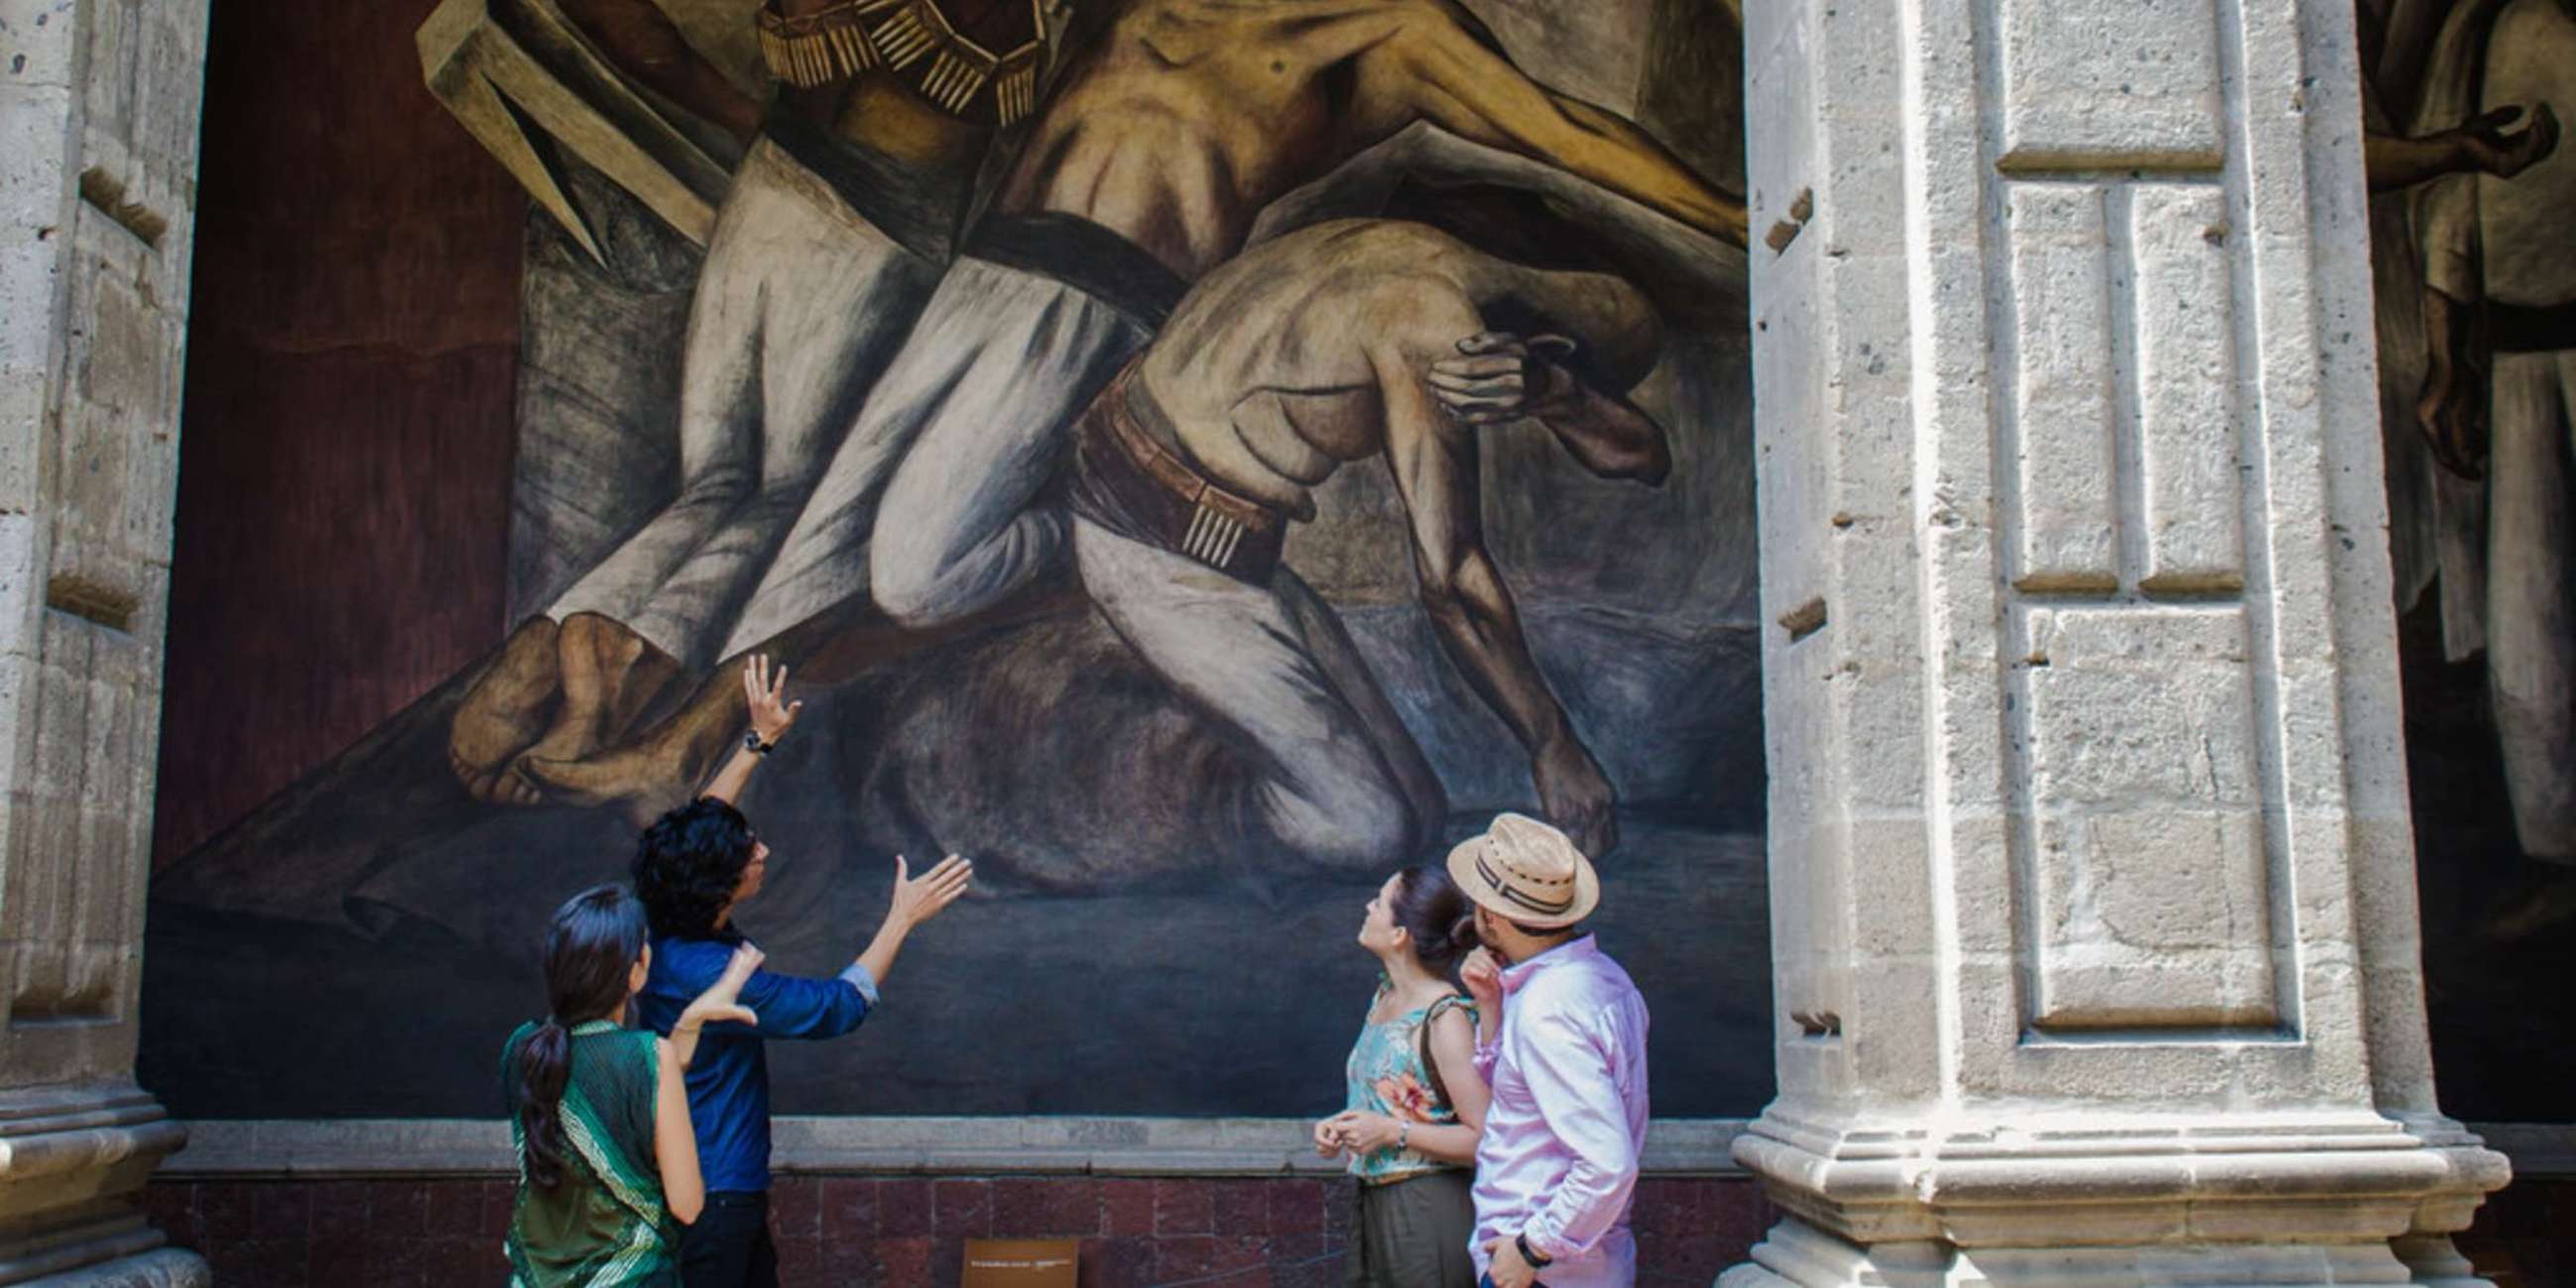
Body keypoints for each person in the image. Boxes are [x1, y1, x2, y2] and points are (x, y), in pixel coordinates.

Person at [720, 0, 1750, 683]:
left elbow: (1571, 134)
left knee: (910, 571)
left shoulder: (1390, 30)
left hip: (1103, 297)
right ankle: (690, 770)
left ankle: (1092, 539)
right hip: (987, 267)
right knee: (819, 538)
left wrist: (1739, 219)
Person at [448, 0, 1058, 805]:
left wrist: (750, 122)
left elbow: (649, 43)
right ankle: (618, 656)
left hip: (771, 187)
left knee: (718, 481)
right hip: (878, 226)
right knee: (778, 496)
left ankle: (562, 631)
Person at [1070, 218, 1668, 864]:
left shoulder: (1408, 245)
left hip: (1217, 539)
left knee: (1418, 817)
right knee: (1364, 829)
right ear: (1544, 339)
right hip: (1151, 547)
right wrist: (1554, 744)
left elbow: (1643, 456)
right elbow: (1452, 579)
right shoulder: (1437, 325)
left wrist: (1556, 392)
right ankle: (1095, 802)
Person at [628, 656, 975, 1287]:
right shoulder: (720, 976)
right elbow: (839, 1006)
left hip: (700, 1187)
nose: (762, 851)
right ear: (720, 887)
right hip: (715, 1195)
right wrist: (902, 918)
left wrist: (756, 742)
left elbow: (697, 828)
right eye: (748, 853)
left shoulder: (664, 921)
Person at [2410, 0, 2576, 863]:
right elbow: (2449, 211)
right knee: (2531, 618)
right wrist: (2447, 361)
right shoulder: (2489, 26)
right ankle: (2553, 852)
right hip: (2520, 355)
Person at [499, 884, 765, 1287]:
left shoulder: (523, 1051)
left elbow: (620, 1078)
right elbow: (688, 1204)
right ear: (636, 969)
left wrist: (690, 1021)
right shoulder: (646, 1056)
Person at [1450, 812, 1647, 1288]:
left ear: (1491, 917)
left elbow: (1608, 1162)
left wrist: (1531, 1248)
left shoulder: (1548, 1008)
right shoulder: (1601, 978)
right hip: (1575, 1262)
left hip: (1544, 1271)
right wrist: (1492, 1007)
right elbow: (1524, 1098)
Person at [1313, 865, 1491, 1287]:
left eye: (1379, 902)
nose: (1368, 906)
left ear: (1400, 935)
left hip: (1428, 1207)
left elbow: (1484, 1138)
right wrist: (1343, 1126)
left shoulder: (1445, 1017)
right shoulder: (1384, 999)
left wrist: (1392, 1132)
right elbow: (1386, 1103)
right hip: (1373, 1202)